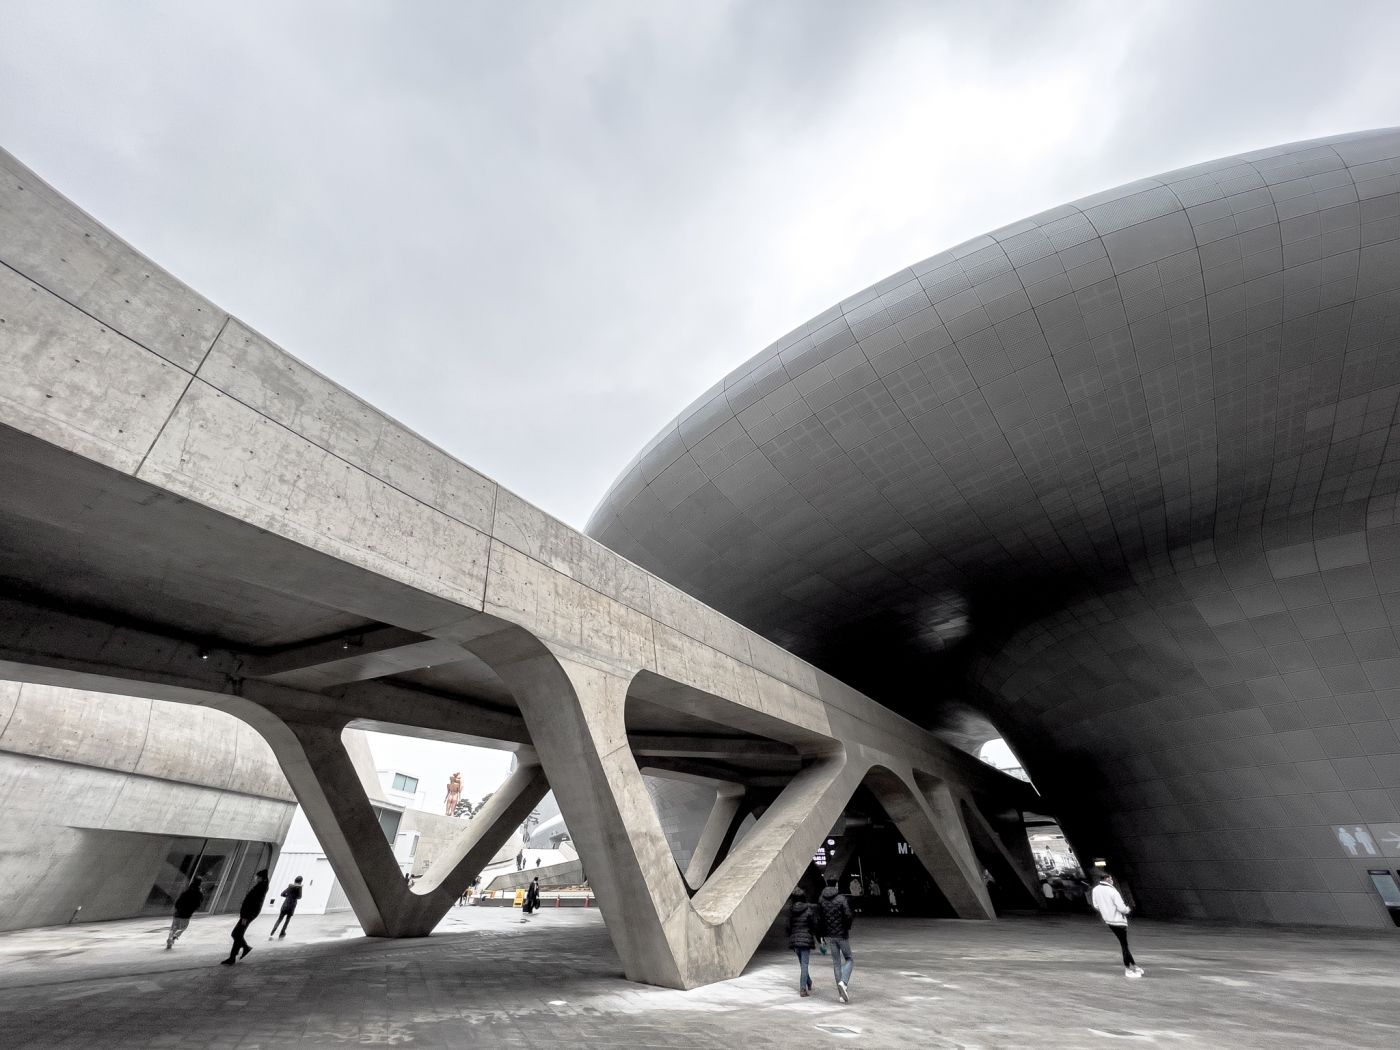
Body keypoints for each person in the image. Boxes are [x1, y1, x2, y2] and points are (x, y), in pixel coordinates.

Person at [1091, 873, 1144, 979]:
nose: (1112, 881)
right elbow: (1121, 908)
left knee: (1124, 944)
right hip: (1119, 921)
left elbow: (1096, 905)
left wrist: (1106, 911)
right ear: (1106, 879)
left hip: (1109, 921)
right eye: (1111, 879)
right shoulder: (1112, 891)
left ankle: (1135, 966)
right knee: (1124, 945)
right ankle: (1128, 969)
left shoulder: (1095, 890)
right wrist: (1128, 909)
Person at [817, 872, 855, 1003]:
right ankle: (844, 982)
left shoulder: (821, 899)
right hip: (842, 935)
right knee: (849, 959)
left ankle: (841, 995)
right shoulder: (841, 898)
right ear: (836, 884)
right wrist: (846, 927)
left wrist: (821, 935)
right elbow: (848, 915)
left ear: (827, 884)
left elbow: (819, 919)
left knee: (836, 963)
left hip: (830, 936)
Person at [221, 868, 270, 965]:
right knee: (238, 934)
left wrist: (245, 916)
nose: (255, 878)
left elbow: (252, 902)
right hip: (249, 914)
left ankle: (245, 948)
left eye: (257, 877)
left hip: (248, 914)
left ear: (261, 878)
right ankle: (233, 957)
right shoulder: (261, 886)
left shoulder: (260, 887)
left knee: (236, 934)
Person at [785, 888, 819, 996]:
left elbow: (788, 927)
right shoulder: (809, 910)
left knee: (802, 964)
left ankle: (808, 982)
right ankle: (803, 989)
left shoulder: (791, 911)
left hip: (795, 941)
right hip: (806, 940)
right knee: (804, 964)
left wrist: (791, 936)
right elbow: (814, 925)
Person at [166, 877, 204, 949]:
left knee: (173, 927)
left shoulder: (185, 892)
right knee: (182, 928)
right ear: (200, 883)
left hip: (177, 913)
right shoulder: (199, 893)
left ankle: (170, 937)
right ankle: (174, 937)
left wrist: (177, 909)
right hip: (186, 914)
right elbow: (198, 904)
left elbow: (178, 902)